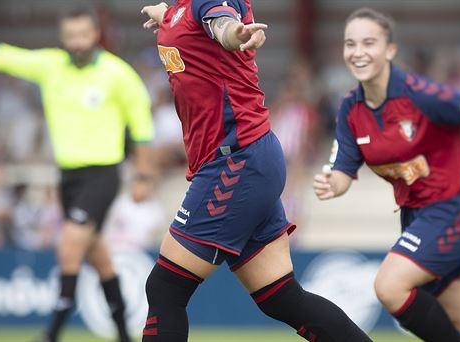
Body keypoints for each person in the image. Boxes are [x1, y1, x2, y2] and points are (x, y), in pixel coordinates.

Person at [140, 2, 371, 341]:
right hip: (248, 159)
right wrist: (167, 14)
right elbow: (195, 22)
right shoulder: (181, 9)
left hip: (235, 162)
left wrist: (236, 34)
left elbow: (223, 25)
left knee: (165, 288)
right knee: (281, 298)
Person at [0, 6, 156, 342]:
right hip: (68, 178)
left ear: (95, 35)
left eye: (83, 35)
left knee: (68, 247)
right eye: (71, 36)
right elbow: (0, 56)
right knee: (99, 257)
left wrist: (144, 178)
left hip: (103, 174)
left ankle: (51, 334)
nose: (77, 42)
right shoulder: (50, 66)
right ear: (63, 38)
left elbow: (142, 129)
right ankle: (123, 333)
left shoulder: (117, 74)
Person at [313, 7, 460, 342]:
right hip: (416, 217)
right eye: (350, 44)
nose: (358, 52)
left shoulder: (422, 95)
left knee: (389, 286)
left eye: (369, 43)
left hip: (454, 209)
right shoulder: (349, 109)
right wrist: (332, 182)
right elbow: (343, 170)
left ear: (390, 50)